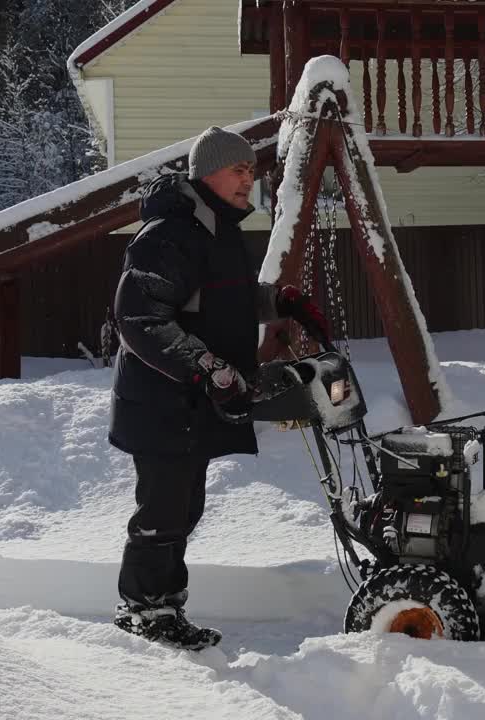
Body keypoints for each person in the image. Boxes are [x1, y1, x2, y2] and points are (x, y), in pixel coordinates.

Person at [108, 126, 327, 650]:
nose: (249, 180)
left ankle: (163, 609)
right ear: (206, 172)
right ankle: (143, 615)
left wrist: (279, 301)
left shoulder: (214, 232)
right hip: (162, 402)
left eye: (252, 171)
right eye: (238, 170)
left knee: (184, 510)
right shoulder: (168, 233)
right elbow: (139, 317)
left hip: (194, 401)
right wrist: (209, 368)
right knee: (163, 512)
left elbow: (216, 298)